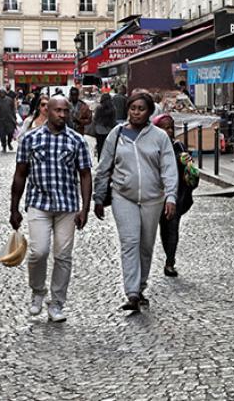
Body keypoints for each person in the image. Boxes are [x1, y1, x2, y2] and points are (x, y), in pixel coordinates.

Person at [92, 91, 178, 311]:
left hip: (153, 198)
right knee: (130, 243)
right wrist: (99, 196)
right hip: (124, 195)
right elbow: (104, 167)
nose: (136, 113)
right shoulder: (116, 134)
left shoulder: (159, 136)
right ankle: (131, 293)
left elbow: (169, 168)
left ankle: (140, 287)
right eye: (133, 108)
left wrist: (170, 195)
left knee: (146, 245)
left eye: (141, 109)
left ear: (149, 111)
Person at [10, 95, 92, 323]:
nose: (62, 115)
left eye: (66, 111)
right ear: (48, 111)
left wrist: (85, 208)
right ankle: (37, 291)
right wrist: (14, 208)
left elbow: (85, 175)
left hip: (67, 206)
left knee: (63, 256)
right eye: (58, 111)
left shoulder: (77, 141)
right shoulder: (30, 139)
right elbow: (20, 174)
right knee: (39, 252)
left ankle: (57, 302)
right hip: (39, 203)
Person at [152, 113, 198, 277]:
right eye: (164, 128)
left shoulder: (178, 147)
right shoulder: (150, 147)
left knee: (171, 229)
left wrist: (187, 164)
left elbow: (191, 173)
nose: (168, 131)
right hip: (153, 196)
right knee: (154, 232)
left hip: (175, 196)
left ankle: (170, 261)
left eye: (171, 127)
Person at [0, 89, 18, 153]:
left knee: (10, 133)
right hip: (0, 121)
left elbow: (13, 110)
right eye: (0, 93)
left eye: (3, 93)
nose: (1, 94)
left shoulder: (9, 100)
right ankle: (4, 146)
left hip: (9, 120)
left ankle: (9, 142)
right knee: (2, 135)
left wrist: (15, 118)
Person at [93, 93, 117, 160]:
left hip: (99, 130)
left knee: (100, 147)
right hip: (109, 131)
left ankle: (100, 160)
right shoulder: (113, 108)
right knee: (109, 148)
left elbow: (95, 119)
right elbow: (114, 121)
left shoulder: (99, 108)